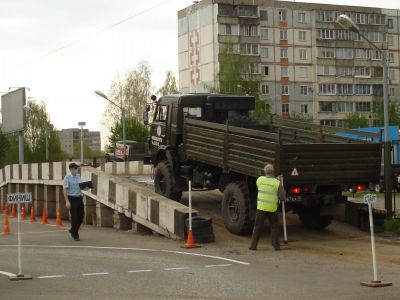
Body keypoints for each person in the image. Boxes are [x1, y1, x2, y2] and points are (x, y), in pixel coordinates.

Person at [249, 164, 286, 251]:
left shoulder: (260, 180)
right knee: (274, 227)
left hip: (261, 208)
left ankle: (253, 246)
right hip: (272, 209)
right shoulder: (277, 183)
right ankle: (276, 246)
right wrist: (279, 182)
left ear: (264, 171)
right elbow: (282, 197)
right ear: (273, 172)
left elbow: (261, 186)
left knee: (257, 226)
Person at [63, 163, 84, 241]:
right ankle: (75, 235)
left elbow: (81, 187)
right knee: (74, 217)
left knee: (81, 216)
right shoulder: (67, 178)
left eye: (77, 169)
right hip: (72, 198)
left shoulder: (78, 176)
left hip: (79, 198)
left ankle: (73, 230)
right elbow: (65, 190)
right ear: (71, 170)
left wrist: (86, 188)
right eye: (75, 169)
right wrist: (67, 201)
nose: (76, 170)